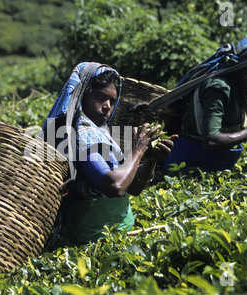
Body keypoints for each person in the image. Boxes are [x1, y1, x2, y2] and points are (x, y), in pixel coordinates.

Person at [42, 62, 176, 247]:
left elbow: (133, 188)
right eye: (100, 97)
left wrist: (152, 159)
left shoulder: (101, 131)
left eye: (112, 101)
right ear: (81, 96)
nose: (107, 106)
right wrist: (138, 150)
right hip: (92, 239)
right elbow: (115, 185)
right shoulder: (81, 133)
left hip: (113, 233)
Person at [162, 36, 247, 172]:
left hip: (213, 170)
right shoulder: (218, 88)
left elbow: (233, 118)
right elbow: (211, 141)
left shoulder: (239, 90)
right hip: (186, 169)